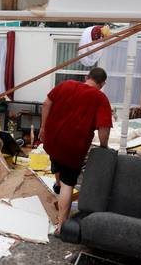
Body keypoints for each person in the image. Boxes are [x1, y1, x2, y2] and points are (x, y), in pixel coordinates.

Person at [39, 67, 112, 233]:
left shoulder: (65, 85)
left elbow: (46, 103)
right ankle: (61, 225)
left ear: (87, 77)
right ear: (102, 83)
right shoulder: (100, 98)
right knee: (67, 184)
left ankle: (57, 184)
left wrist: (43, 127)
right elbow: (104, 127)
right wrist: (103, 146)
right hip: (74, 146)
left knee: (57, 163)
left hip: (54, 139)